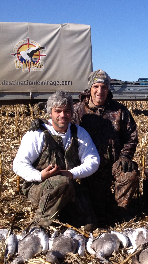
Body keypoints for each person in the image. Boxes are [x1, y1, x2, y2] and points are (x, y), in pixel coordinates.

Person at [13, 90, 100, 229]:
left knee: (89, 226)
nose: (62, 115)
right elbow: (19, 164)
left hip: (67, 184)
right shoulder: (38, 133)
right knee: (61, 182)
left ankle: (62, 216)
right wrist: (40, 175)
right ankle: (39, 227)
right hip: (38, 186)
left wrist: (72, 173)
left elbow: (93, 160)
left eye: (66, 111)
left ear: (72, 112)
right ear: (50, 113)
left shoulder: (79, 133)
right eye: (57, 111)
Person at [73, 69, 140, 220]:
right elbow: (61, 129)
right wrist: (42, 126)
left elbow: (131, 137)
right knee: (93, 208)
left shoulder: (119, 111)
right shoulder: (77, 111)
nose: (100, 91)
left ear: (108, 89)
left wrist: (125, 156)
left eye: (104, 87)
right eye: (96, 86)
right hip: (86, 167)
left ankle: (120, 213)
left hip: (113, 164)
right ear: (90, 88)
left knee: (130, 174)